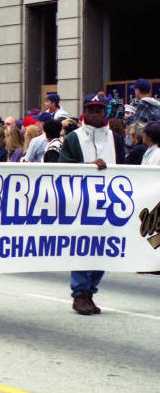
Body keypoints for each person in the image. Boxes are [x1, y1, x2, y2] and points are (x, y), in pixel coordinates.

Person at [59, 94, 126, 315]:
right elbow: (63, 168)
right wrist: (88, 166)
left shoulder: (115, 138)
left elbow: (124, 168)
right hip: (82, 202)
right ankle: (80, 294)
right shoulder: (73, 138)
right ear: (84, 112)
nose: (95, 114)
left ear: (105, 112)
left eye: (99, 110)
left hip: (109, 202)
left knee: (103, 249)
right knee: (82, 247)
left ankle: (90, 291)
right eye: (91, 110)